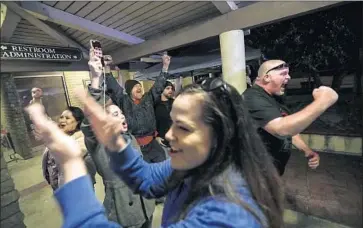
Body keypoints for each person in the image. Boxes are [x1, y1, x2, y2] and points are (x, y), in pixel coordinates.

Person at [27, 76, 284, 228]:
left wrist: (71, 165)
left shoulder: (228, 213)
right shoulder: (195, 163)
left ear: (220, 135)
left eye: (183, 127)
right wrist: (115, 143)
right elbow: (145, 178)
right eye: (171, 123)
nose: (169, 135)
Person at [243, 60, 338, 175]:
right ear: (267, 77)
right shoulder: (251, 97)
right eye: (283, 73)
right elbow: (281, 129)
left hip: (271, 171)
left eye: (288, 73)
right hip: (255, 173)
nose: (289, 77)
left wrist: (307, 151)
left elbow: (288, 127)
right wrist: (323, 101)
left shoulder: (276, 97)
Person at [81, 91, 155, 227]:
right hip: (122, 210)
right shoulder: (99, 144)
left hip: (145, 206)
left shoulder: (130, 138)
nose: (122, 116)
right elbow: (89, 124)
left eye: (121, 113)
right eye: (115, 115)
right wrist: (96, 82)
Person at [88, 51, 171, 165]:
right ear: (129, 90)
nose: (139, 88)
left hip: (153, 144)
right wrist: (106, 67)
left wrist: (165, 67)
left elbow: (158, 86)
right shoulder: (124, 101)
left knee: (161, 168)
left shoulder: (148, 98)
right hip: (135, 146)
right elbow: (114, 87)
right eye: (135, 86)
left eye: (140, 86)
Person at [41, 106, 96, 191]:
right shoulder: (61, 135)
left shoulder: (82, 138)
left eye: (67, 118)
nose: (63, 120)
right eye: (61, 117)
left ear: (77, 122)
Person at [154, 78, 182, 151]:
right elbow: (152, 123)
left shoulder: (175, 102)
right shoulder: (155, 105)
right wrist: (156, 136)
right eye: (167, 88)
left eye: (171, 88)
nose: (170, 90)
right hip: (164, 142)